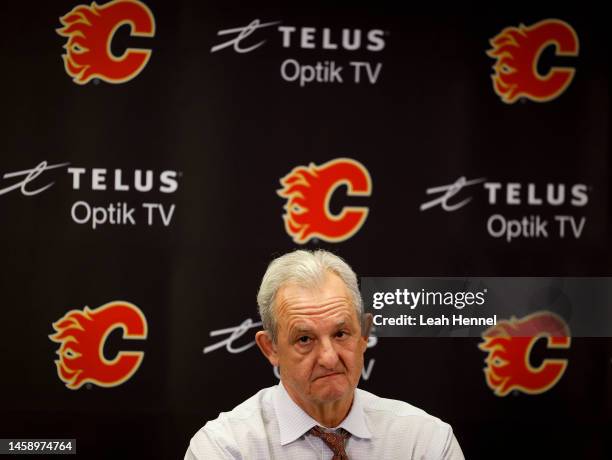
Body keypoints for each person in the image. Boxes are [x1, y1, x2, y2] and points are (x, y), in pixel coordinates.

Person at [185, 250, 464, 459]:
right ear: (271, 348)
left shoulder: (424, 442)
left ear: (364, 334)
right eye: (305, 339)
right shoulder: (224, 448)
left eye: (341, 334)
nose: (329, 358)